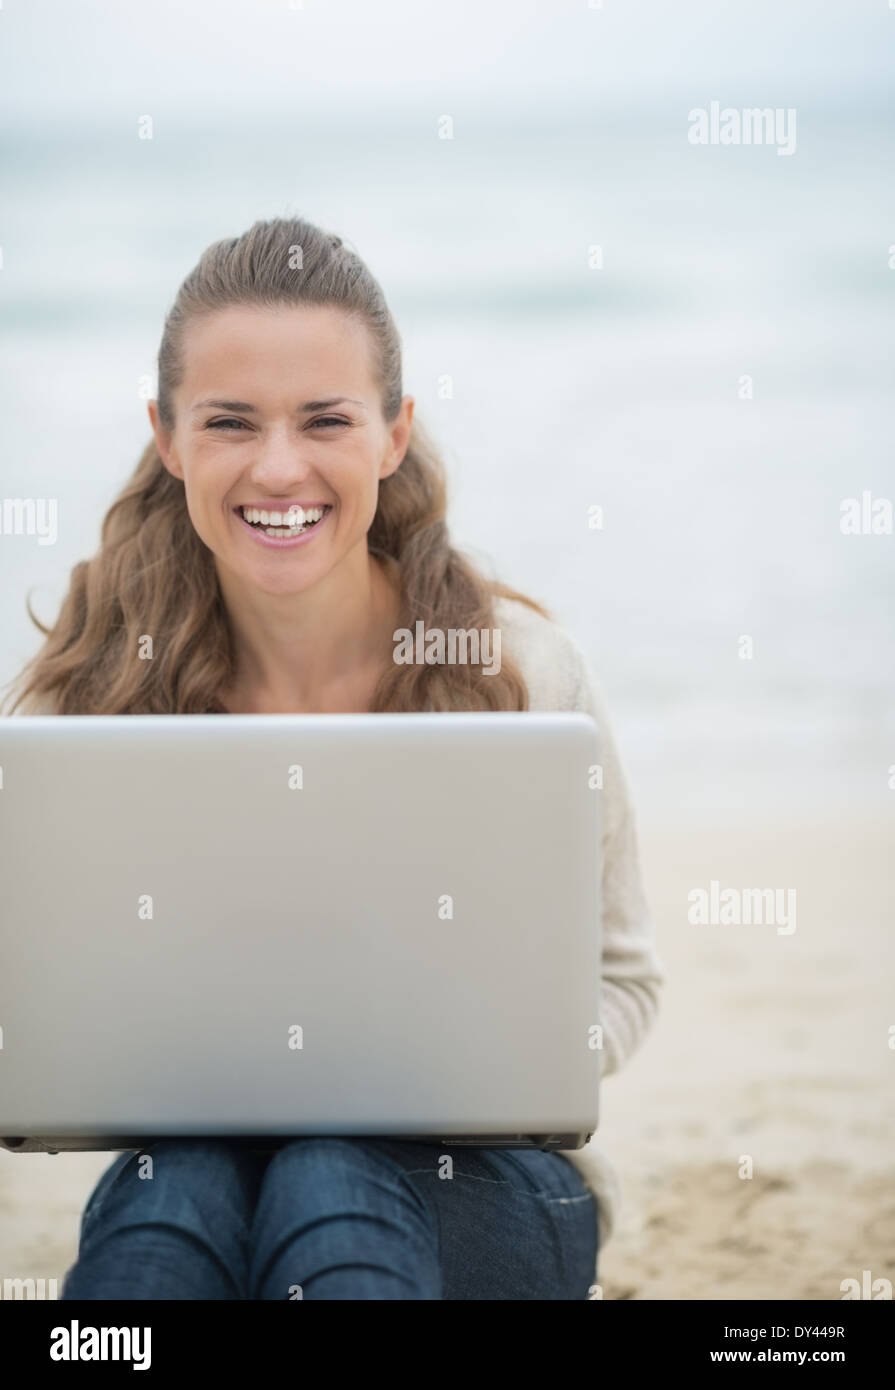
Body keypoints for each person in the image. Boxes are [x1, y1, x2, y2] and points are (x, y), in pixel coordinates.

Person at [4, 216, 663, 1299]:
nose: (278, 467)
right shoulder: (80, 701)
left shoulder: (523, 674)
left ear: (392, 434)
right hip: (198, 1168)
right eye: (229, 422)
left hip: (490, 1183)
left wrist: (499, 1062)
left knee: (326, 1172)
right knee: (171, 1210)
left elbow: (623, 977)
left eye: (325, 420)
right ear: (167, 439)